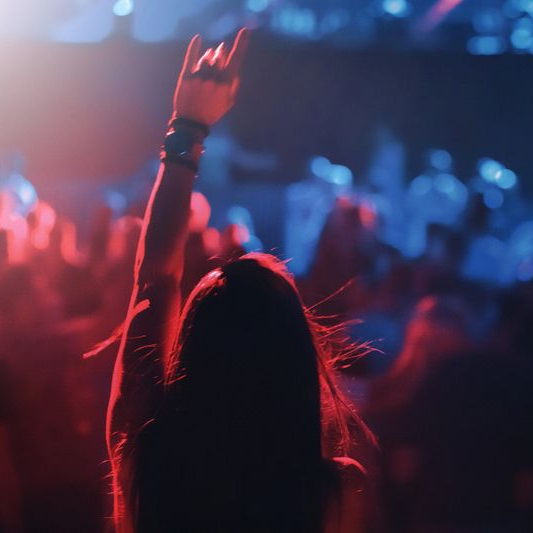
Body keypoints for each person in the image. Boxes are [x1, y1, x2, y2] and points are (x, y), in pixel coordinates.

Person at [106, 30, 368, 533]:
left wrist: (187, 128)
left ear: (193, 342)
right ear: (295, 354)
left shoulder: (145, 454)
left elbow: (154, 281)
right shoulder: (334, 491)